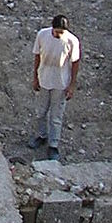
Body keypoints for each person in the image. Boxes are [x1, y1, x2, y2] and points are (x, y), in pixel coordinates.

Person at [29, 14, 80, 159]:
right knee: (40, 112)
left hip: (60, 83)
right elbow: (37, 56)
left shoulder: (72, 41)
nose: (59, 35)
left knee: (56, 116)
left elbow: (75, 63)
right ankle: (41, 135)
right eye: (57, 32)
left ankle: (53, 145)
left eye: (61, 32)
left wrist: (72, 85)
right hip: (44, 79)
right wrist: (35, 78)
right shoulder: (42, 35)